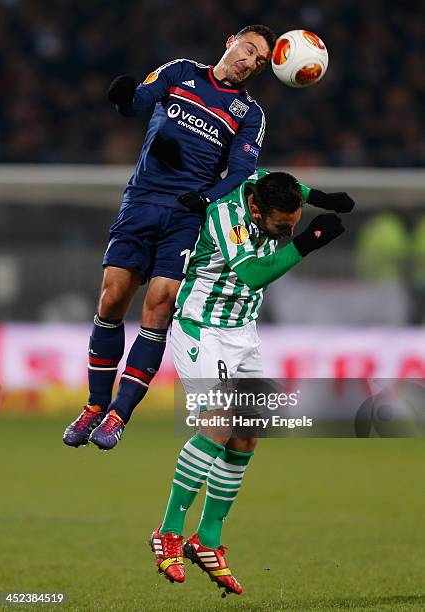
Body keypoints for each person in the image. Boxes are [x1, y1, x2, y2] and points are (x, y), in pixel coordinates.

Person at [63, 24, 277, 450]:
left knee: (159, 305)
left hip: (186, 215)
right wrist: (125, 98)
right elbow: (138, 102)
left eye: (260, 61)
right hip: (141, 201)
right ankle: (94, 406)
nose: (250, 62)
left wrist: (204, 199)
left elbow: (238, 173)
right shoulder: (181, 72)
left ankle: (119, 416)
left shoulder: (249, 114)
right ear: (230, 41)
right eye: (249, 49)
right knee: (111, 299)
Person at [149, 169, 354, 595]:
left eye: (295, 223)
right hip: (203, 327)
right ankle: (167, 531)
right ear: (257, 210)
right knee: (219, 423)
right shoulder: (228, 215)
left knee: (246, 434)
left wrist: (321, 197)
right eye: (282, 226)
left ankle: (206, 540)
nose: (289, 230)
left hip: (244, 331)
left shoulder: (264, 186)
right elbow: (255, 275)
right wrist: (309, 240)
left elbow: (284, 181)